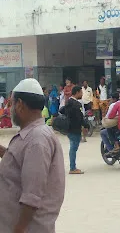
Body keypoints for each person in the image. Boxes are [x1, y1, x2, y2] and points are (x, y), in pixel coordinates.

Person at [0, 78, 65, 233]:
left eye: (11, 104)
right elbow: (21, 162)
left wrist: (19, 229)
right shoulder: (32, 134)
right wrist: (4, 152)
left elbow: (32, 196)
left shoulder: (37, 139)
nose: (9, 109)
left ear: (20, 105)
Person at [60, 86, 88, 174]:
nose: (82, 94)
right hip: (75, 128)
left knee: (73, 147)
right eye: (81, 92)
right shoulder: (76, 104)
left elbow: (61, 110)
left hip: (69, 128)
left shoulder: (69, 102)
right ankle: (72, 168)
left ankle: (73, 167)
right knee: (73, 148)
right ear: (77, 93)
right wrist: (86, 125)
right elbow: (80, 117)